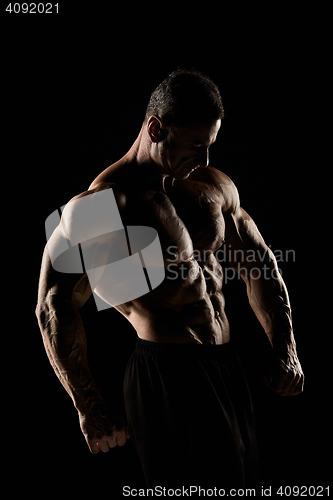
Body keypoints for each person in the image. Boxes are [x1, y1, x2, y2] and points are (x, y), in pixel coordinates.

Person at [36, 70, 304, 488]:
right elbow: (54, 307)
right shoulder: (103, 205)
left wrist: (285, 347)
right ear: (156, 128)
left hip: (227, 367)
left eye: (211, 144)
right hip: (166, 375)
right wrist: (88, 405)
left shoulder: (212, 187)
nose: (206, 158)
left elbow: (261, 267)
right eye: (196, 144)